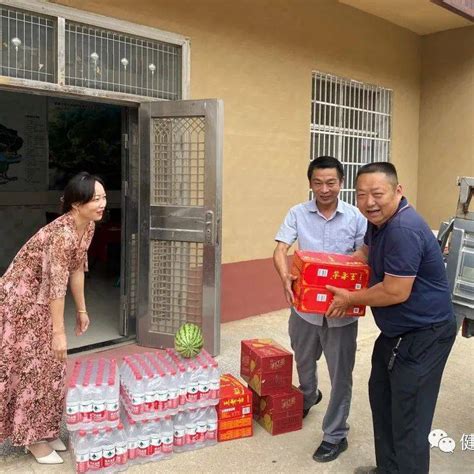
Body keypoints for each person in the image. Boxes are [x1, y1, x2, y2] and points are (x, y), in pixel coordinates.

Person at [326, 162, 457, 474]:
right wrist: (328, 268)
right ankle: (388, 469)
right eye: (361, 195)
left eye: (377, 194)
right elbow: (365, 254)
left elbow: (395, 291)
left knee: (409, 418)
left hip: (425, 335)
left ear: (398, 191)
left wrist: (350, 298)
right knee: (383, 401)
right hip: (396, 334)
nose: (369, 202)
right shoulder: (379, 221)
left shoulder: (403, 229)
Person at [0, 172, 106, 464]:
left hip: (43, 298)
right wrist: (58, 332)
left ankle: (45, 429)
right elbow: (54, 286)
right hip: (21, 301)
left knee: (54, 366)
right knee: (34, 366)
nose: (102, 204)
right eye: (95, 198)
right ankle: (31, 438)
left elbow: (76, 269)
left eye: (103, 197)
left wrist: (82, 310)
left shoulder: (87, 227)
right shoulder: (60, 235)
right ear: (75, 204)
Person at [273, 156, 367, 462]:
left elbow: (363, 256)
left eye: (331, 182)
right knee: (303, 358)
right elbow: (280, 249)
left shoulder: (355, 217)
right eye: (318, 182)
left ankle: (335, 434)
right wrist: (285, 275)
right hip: (304, 309)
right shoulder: (297, 213)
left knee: (341, 374)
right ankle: (309, 394)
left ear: (341, 183)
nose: (324, 189)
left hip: (341, 312)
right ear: (310, 183)